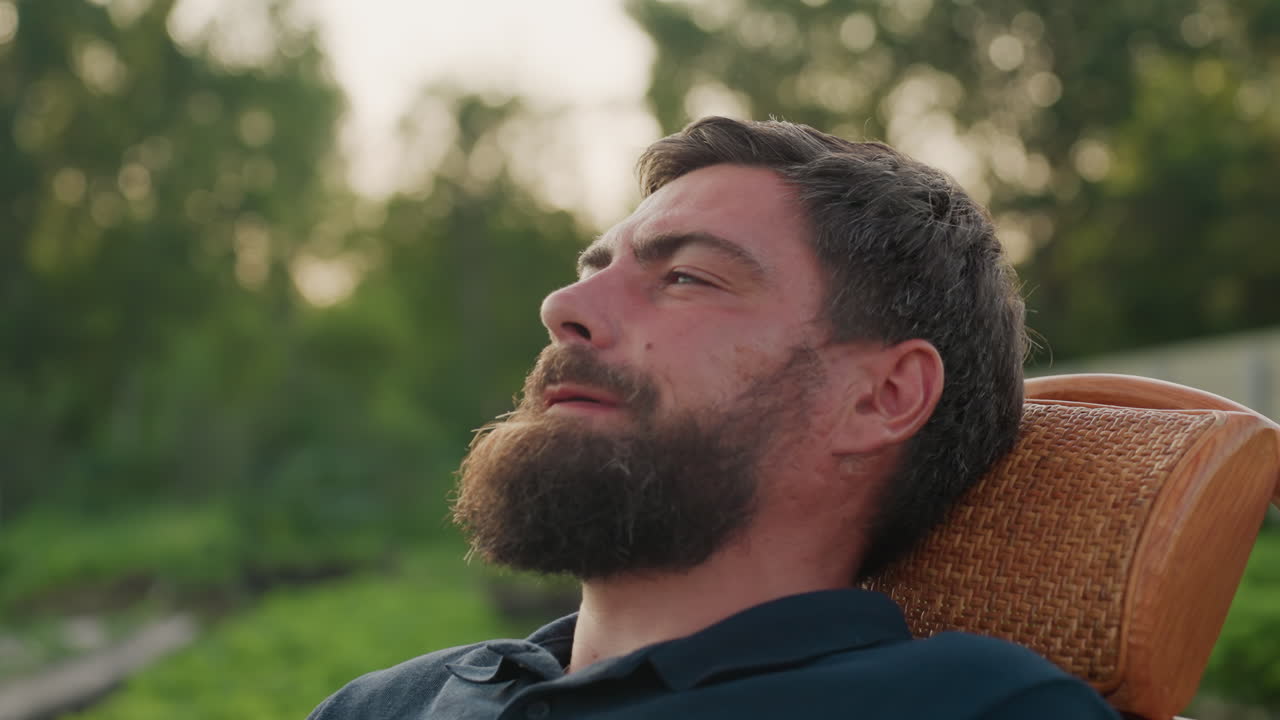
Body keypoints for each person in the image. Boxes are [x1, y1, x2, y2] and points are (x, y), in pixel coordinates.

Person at [308, 117, 1119, 719]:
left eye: (687, 276)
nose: (563, 306)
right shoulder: (382, 705)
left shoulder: (964, 708)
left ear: (880, 397)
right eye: (593, 270)